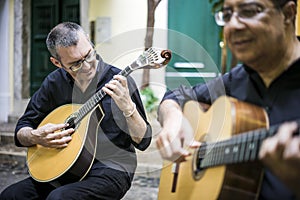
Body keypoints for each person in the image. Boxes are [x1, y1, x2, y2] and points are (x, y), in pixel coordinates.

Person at [156, 0, 300, 199]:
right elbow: (175, 96)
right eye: (227, 14)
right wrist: (173, 119)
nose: (233, 25)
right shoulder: (238, 78)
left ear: (288, 14)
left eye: (249, 11)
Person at [0, 22, 152, 199]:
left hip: (112, 169)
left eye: (89, 55)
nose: (87, 66)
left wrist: (128, 108)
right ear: (57, 62)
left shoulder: (119, 82)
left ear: (89, 42)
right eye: (75, 64)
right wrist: (34, 136)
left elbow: (143, 141)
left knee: (60, 198)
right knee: (11, 195)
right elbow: (23, 128)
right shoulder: (54, 83)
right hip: (64, 166)